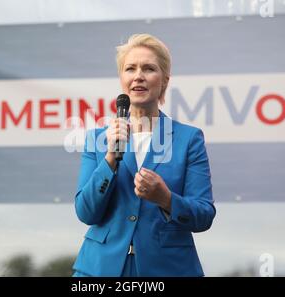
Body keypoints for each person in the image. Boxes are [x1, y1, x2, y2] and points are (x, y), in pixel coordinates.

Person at [72, 33, 216, 277]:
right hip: (99, 270)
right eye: (130, 68)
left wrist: (166, 199)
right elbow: (86, 212)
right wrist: (109, 159)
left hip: (168, 269)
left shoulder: (189, 139)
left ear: (164, 81)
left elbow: (204, 214)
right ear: (122, 79)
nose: (138, 75)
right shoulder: (97, 139)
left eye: (149, 68)